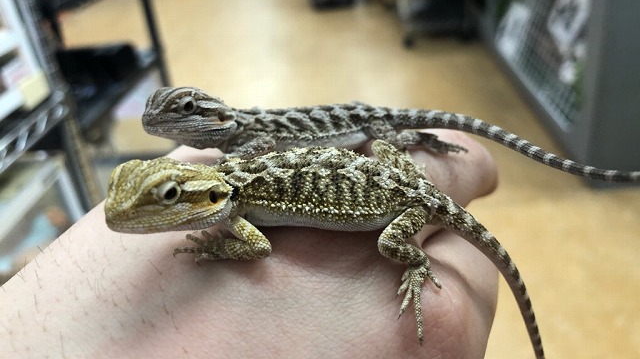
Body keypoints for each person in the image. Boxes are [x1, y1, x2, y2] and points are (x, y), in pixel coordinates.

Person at [0, 130, 499, 358]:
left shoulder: (234, 211)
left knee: (392, 245)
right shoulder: (233, 191)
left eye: (169, 197)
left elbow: (259, 249)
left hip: (400, 204)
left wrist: (215, 248)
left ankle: (415, 267)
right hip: (396, 175)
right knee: (385, 150)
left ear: (206, 196)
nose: (128, 215)